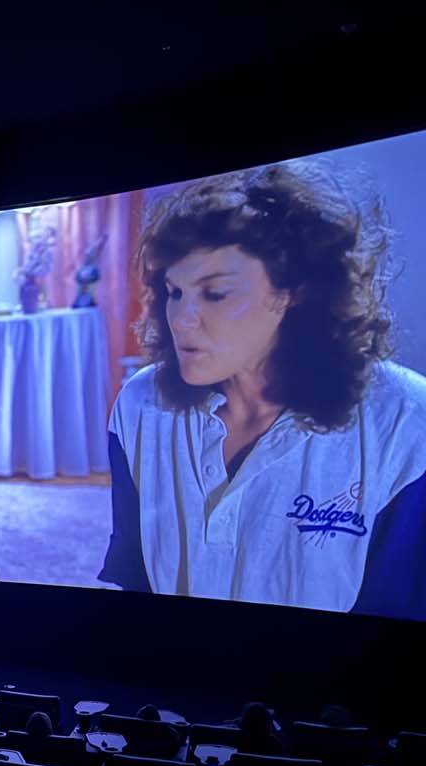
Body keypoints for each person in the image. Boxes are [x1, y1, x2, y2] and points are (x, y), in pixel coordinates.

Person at [100, 159, 426, 617]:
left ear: (292, 291)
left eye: (215, 293)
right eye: (175, 292)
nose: (182, 319)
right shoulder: (140, 405)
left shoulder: (406, 420)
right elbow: (134, 581)